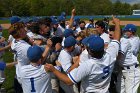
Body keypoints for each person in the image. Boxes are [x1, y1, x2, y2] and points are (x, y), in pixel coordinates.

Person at [45, 16, 121, 93]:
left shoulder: (88, 65)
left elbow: (68, 81)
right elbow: (116, 39)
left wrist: (53, 70)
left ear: (89, 51)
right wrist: (117, 23)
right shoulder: (111, 55)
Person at [116, 24, 140, 93]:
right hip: (123, 69)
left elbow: (120, 55)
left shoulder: (130, 41)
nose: (124, 32)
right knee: (119, 90)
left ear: (131, 32)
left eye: (126, 31)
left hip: (131, 70)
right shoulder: (135, 38)